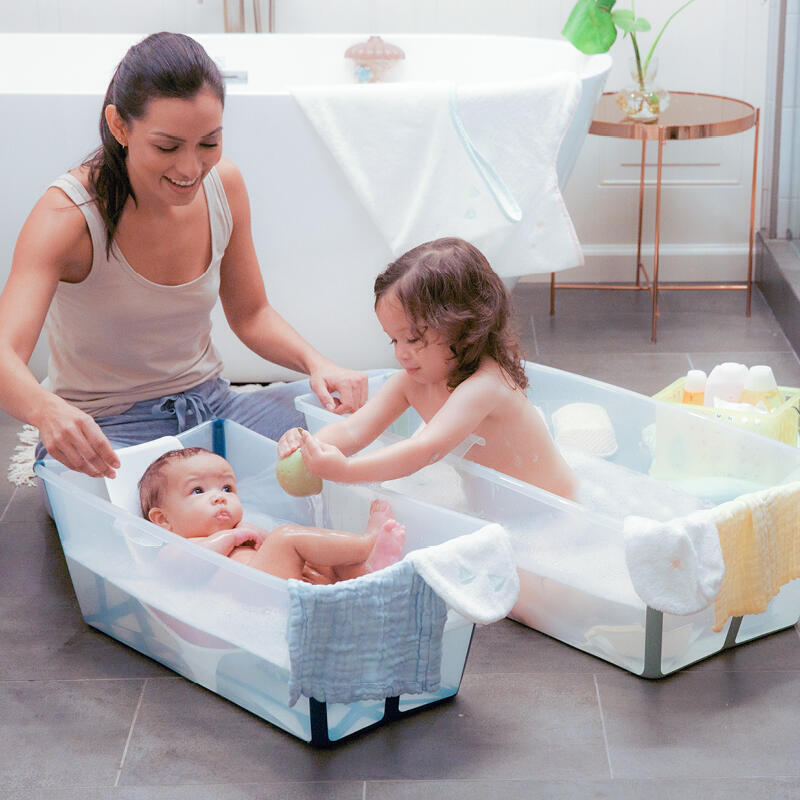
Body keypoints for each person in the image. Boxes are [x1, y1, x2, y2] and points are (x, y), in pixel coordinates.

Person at [0, 32, 366, 481]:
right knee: (151, 509)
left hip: (212, 406)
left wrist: (319, 364)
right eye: (167, 147)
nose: (191, 169)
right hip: (107, 432)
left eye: (208, 143)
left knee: (377, 410)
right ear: (120, 127)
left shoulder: (225, 186)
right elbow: (4, 354)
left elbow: (251, 314)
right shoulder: (67, 216)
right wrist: (47, 411)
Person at [278, 237, 578, 501]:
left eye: (413, 338)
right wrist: (309, 444)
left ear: (464, 325)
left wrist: (346, 470)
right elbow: (353, 429)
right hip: (501, 515)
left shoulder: (485, 386)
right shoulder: (410, 385)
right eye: (393, 339)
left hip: (554, 513)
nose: (401, 352)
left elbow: (425, 450)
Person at [138, 447, 406, 582]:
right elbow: (189, 565)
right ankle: (367, 543)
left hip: (280, 585)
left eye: (227, 487)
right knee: (287, 538)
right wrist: (232, 538)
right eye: (198, 490)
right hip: (251, 597)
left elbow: (271, 551)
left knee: (323, 559)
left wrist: (254, 536)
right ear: (163, 520)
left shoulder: (241, 530)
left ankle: (368, 574)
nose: (219, 496)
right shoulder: (173, 548)